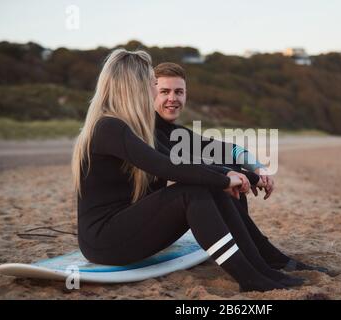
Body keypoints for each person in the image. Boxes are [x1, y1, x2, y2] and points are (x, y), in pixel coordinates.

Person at [71, 48, 305, 293]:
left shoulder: (138, 129)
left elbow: (199, 158)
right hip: (104, 240)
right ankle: (251, 277)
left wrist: (247, 174)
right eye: (154, 84)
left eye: (177, 91)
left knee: (207, 183)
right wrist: (227, 177)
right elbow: (167, 166)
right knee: (192, 192)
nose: (156, 91)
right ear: (136, 86)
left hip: (129, 229)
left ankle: (262, 268)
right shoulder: (110, 127)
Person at [152, 62, 329, 274]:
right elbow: (188, 168)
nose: (173, 98)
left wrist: (258, 168)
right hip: (140, 225)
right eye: (164, 91)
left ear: (186, 95)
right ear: (150, 93)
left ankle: (253, 246)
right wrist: (243, 178)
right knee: (214, 176)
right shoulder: (145, 131)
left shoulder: (173, 132)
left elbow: (225, 149)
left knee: (228, 163)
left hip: (159, 215)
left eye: (179, 92)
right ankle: (261, 251)